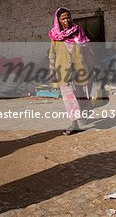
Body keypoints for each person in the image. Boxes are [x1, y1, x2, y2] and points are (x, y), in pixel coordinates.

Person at [48, 7, 92, 135]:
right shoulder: (54, 34)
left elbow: (88, 48)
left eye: (68, 17)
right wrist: (51, 68)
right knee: (69, 98)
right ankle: (74, 123)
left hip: (80, 68)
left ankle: (82, 116)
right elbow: (52, 53)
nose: (66, 20)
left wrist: (91, 66)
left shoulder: (78, 31)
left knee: (82, 95)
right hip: (63, 70)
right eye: (63, 18)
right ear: (58, 20)